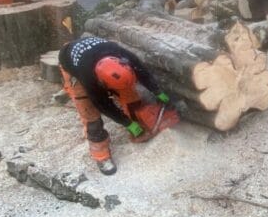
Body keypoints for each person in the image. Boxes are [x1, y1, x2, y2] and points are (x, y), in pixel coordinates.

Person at [58, 36, 180, 175]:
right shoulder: (87, 77)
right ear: (101, 83)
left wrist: (157, 91)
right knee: (90, 114)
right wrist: (126, 123)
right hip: (70, 62)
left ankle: (141, 127)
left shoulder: (121, 54)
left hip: (97, 55)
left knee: (130, 95)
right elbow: (104, 104)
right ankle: (101, 156)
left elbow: (141, 71)